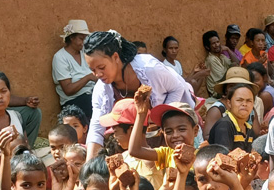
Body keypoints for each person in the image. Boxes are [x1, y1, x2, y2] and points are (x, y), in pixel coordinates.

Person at [84, 30, 198, 160]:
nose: (98, 74)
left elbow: (177, 87)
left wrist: (164, 120)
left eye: (101, 67)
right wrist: (88, 166)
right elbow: (96, 126)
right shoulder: (101, 88)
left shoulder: (149, 68)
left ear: (115, 57)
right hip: (140, 140)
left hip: (175, 130)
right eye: (93, 70)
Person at [52, 19, 97, 120]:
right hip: (73, 101)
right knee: (97, 105)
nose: (84, 42)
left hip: (90, 94)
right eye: (81, 39)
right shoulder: (60, 57)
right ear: (72, 38)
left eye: (86, 39)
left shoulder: (85, 53)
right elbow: (68, 90)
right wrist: (88, 78)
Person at [207, 69, 257, 151]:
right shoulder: (224, 125)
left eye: (249, 101)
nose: (244, 104)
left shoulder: (249, 129)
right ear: (229, 103)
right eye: (239, 100)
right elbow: (225, 159)